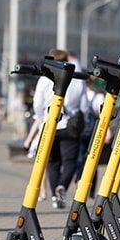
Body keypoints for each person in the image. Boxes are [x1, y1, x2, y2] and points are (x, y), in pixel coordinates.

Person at [33, 49, 88, 209]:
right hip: (70, 124)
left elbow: (37, 103)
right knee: (69, 160)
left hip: (49, 124)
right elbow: (84, 104)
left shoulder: (44, 79)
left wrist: (42, 117)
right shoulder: (76, 78)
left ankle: (55, 196)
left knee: (52, 162)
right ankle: (62, 186)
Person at [75, 76, 112, 200]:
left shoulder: (82, 96)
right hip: (93, 133)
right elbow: (103, 117)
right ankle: (88, 189)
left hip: (81, 132)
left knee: (81, 160)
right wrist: (107, 131)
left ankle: (81, 184)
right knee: (92, 160)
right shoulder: (98, 97)